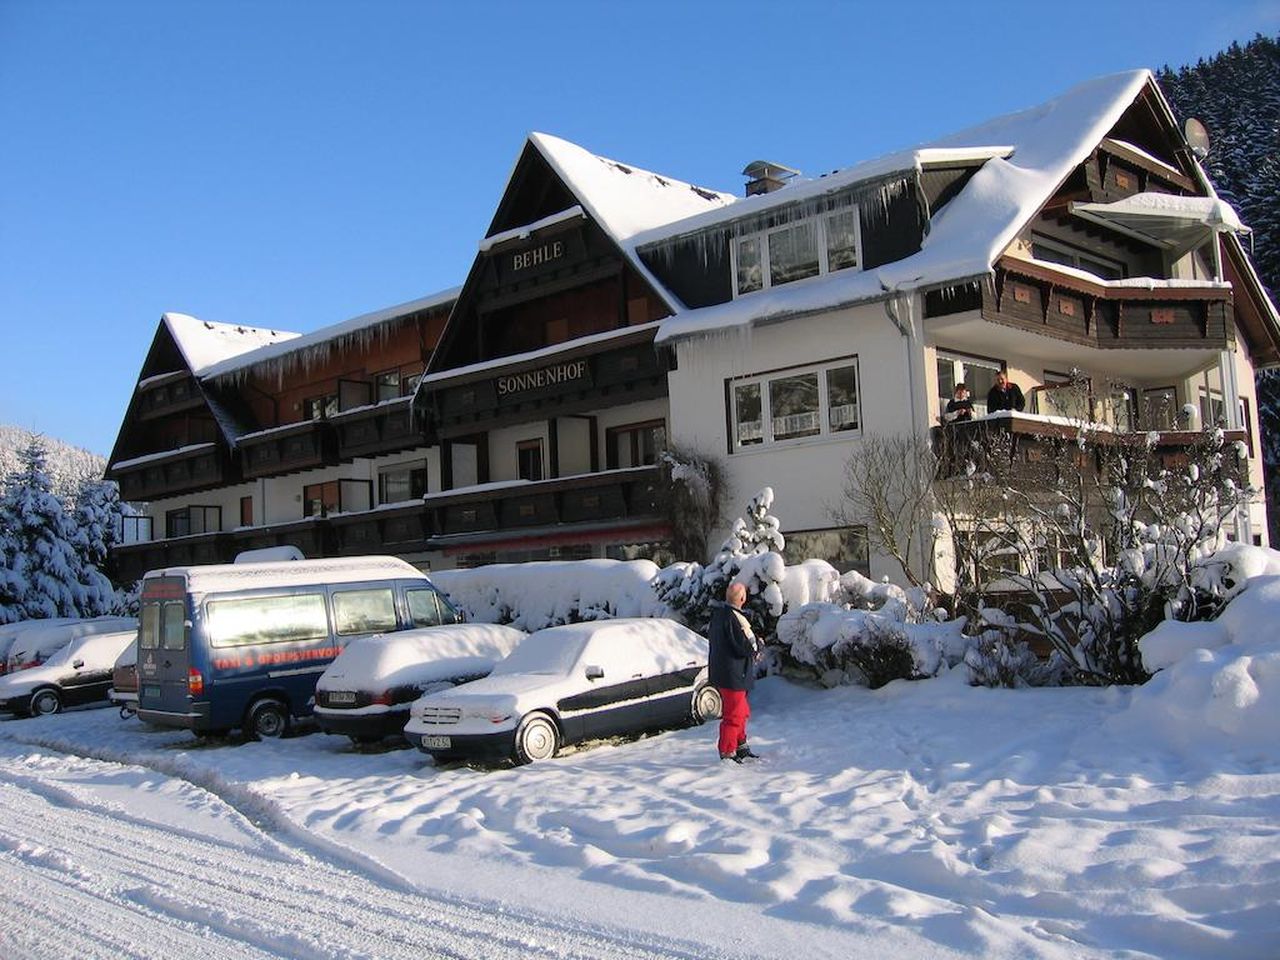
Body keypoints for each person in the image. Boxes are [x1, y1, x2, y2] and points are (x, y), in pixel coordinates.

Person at [707, 581, 761, 763]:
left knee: (741, 711)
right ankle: (728, 752)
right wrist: (758, 646)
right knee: (735, 715)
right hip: (734, 675)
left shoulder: (718, 616)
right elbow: (747, 645)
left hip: (724, 673)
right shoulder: (736, 618)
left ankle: (740, 745)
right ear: (743, 598)